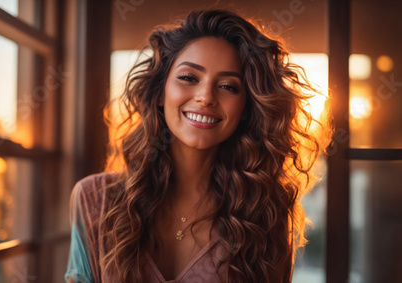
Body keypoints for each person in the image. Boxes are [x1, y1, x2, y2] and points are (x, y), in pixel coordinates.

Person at [64, 9, 331, 283]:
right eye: (189, 78)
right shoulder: (95, 199)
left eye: (228, 86)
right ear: (159, 91)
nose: (205, 97)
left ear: (247, 108)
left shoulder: (265, 213)